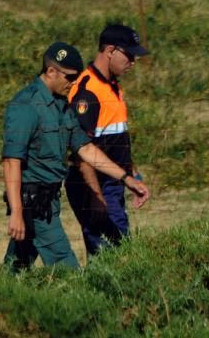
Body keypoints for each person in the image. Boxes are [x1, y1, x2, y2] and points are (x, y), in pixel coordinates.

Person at [2, 42, 150, 270]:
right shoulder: (27, 105)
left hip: (50, 198)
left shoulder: (61, 106)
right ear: (51, 71)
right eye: (69, 77)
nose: (73, 84)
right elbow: (12, 162)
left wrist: (126, 178)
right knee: (67, 269)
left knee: (17, 266)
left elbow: (85, 149)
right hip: (33, 203)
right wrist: (17, 213)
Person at [65, 24, 150, 256]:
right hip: (94, 186)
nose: (133, 62)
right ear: (110, 50)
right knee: (112, 256)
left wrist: (131, 176)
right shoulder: (87, 92)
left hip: (112, 184)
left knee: (119, 252)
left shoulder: (112, 86)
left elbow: (115, 139)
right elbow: (81, 154)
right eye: (129, 55)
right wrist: (96, 198)